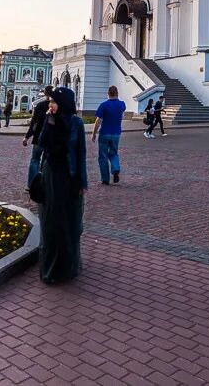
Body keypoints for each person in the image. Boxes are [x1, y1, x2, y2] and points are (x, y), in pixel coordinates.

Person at [36, 86, 87, 284]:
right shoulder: (50, 121)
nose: (51, 105)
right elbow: (41, 144)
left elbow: (80, 153)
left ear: (64, 103)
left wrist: (82, 182)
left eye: (54, 102)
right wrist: (48, 123)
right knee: (51, 222)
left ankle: (68, 266)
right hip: (51, 175)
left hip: (69, 177)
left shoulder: (76, 123)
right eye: (50, 102)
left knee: (68, 222)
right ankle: (50, 267)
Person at [92, 85, 126, 185]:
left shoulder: (103, 105)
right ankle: (115, 168)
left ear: (108, 93)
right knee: (114, 153)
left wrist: (94, 133)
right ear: (117, 93)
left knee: (103, 156)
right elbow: (122, 114)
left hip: (104, 133)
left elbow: (98, 121)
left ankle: (105, 179)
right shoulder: (122, 104)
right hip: (116, 133)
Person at [22, 86, 53, 192]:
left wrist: (27, 137)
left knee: (35, 160)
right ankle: (44, 184)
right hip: (50, 138)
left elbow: (34, 123)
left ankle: (31, 185)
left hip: (39, 136)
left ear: (45, 93)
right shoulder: (56, 106)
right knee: (46, 161)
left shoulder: (40, 105)